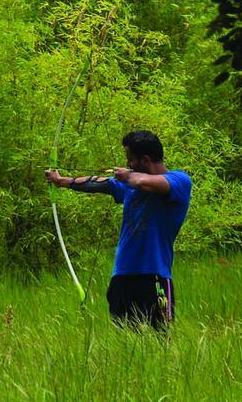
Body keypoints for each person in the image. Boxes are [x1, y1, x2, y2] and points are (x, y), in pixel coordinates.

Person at [45, 131, 192, 330]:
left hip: (155, 276)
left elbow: (142, 181)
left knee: (159, 341)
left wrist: (129, 176)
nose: (128, 164)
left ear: (146, 159)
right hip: (122, 277)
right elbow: (97, 183)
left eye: (131, 159)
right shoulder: (129, 186)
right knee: (124, 340)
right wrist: (62, 181)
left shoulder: (179, 181)